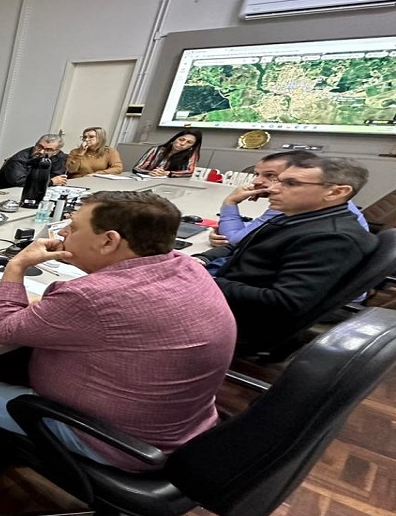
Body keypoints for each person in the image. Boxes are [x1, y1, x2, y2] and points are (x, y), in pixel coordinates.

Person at [0, 191, 235, 491]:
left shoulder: (91, 297)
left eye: (73, 228)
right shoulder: (189, 267)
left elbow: (3, 328)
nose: (63, 234)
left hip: (121, 444)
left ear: (108, 241)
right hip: (186, 430)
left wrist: (16, 265)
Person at [201, 157, 378, 354]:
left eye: (291, 184)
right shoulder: (299, 217)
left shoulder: (333, 239)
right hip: (225, 299)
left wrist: (208, 281)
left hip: (239, 324)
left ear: (336, 192)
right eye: (279, 180)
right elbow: (242, 245)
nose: (274, 189)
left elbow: (283, 303)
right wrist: (201, 260)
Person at [205, 151, 368, 251]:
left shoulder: (327, 225)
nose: (257, 182)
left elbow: (236, 240)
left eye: (270, 176)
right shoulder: (325, 206)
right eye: (257, 174)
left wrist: (230, 204)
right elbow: (248, 237)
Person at [0, 133, 69, 189]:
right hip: (1, 192)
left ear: (56, 152)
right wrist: (50, 182)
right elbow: (19, 182)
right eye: (39, 147)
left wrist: (50, 181)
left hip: (33, 191)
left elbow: (57, 176)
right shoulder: (19, 159)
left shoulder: (58, 156)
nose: (41, 151)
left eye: (48, 150)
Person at [132, 130, 202, 178]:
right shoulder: (156, 150)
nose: (182, 143)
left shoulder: (191, 154)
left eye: (189, 142)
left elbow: (190, 172)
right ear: (174, 139)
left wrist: (167, 173)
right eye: (181, 140)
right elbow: (137, 168)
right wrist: (150, 172)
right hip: (148, 179)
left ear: (192, 146)